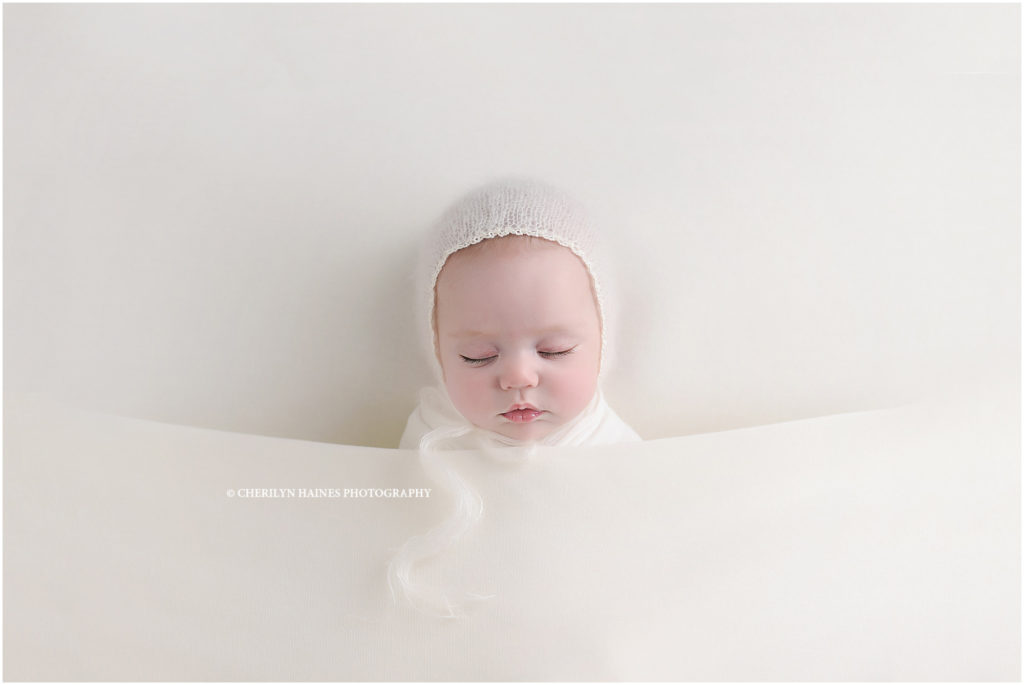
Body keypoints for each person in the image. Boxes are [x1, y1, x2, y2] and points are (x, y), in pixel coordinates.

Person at [399, 177, 641, 451]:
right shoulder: (430, 442)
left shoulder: (614, 447)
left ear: (602, 342)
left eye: (554, 350)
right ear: (437, 352)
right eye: (478, 356)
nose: (519, 377)